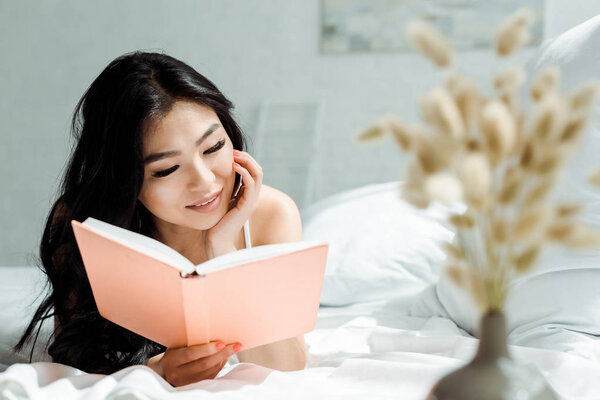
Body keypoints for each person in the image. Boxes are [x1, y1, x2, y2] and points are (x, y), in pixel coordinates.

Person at [13, 51, 307, 387]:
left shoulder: (271, 215)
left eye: (213, 147)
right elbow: (75, 353)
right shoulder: (82, 220)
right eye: (166, 169)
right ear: (125, 181)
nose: (206, 182)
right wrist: (156, 370)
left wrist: (225, 251)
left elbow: (289, 367)